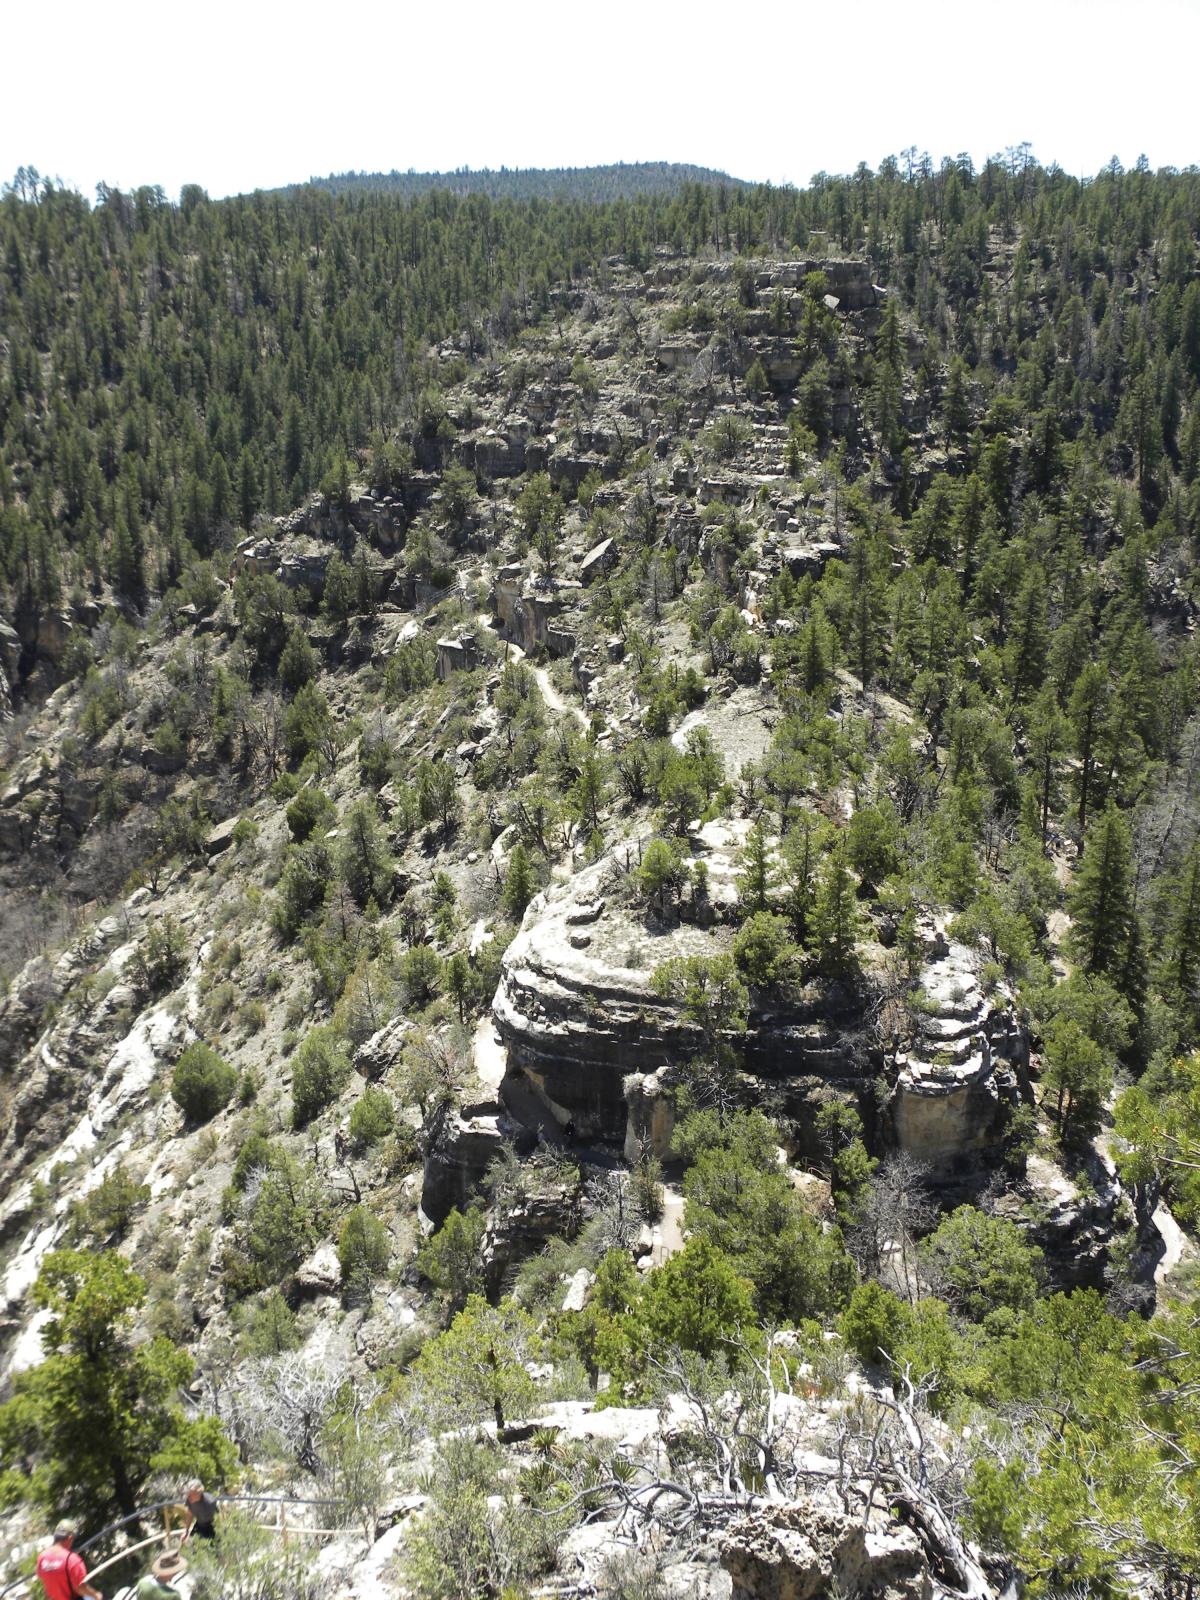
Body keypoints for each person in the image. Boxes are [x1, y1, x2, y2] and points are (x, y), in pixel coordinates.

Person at [35, 1522, 102, 1600]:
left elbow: (42, 1578)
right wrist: (96, 1595)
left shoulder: (42, 1557)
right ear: (70, 1538)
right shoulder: (71, 1559)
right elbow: (80, 1587)